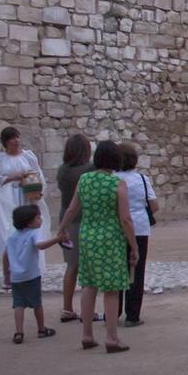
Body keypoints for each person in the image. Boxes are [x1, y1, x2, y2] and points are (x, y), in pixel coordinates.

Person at [57, 140, 138, 353]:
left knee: (89, 285)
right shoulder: (117, 184)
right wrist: (134, 245)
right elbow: (125, 219)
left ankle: (87, 334)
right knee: (111, 288)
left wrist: (62, 229)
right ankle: (111, 337)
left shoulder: (84, 180)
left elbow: (72, 209)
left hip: (88, 237)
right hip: (110, 239)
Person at [0, 127, 52, 290]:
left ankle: (33, 273)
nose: (16, 141)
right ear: (6, 142)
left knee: (32, 234)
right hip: (7, 200)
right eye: (12, 139)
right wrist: (12, 178)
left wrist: (37, 191)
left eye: (17, 137)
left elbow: (39, 176)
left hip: (26, 198)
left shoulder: (28, 156)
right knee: (9, 235)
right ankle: (8, 274)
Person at [4, 205, 65, 344]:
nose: (40, 219)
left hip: (16, 277)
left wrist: (6, 275)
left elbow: (5, 256)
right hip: (31, 275)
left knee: (18, 304)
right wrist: (57, 239)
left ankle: (19, 332)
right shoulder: (33, 233)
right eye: (38, 217)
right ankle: (41, 329)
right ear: (29, 222)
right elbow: (40, 245)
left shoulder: (12, 237)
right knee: (37, 303)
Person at [116, 142, 157, 327]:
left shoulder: (113, 179)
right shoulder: (142, 179)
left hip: (117, 228)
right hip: (139, 228)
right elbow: (154, 205)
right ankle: (133, 314)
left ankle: (113, 311)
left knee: (117, 270)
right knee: (136, 271)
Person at [56, 133, 92, 323]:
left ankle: (67, 307)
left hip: (66, 221)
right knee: (86, 267)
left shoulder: (62, 171)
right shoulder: (87, 170)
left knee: (71, 266)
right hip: (82, 220)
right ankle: (88, 309)